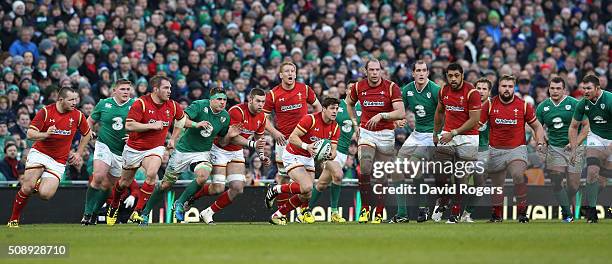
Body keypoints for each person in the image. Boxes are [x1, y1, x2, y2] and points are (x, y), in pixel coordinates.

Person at [106, 75, 185, 226]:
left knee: (152, 174)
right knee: (123, 183)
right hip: (134, 148)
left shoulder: (173, 106)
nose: (170, 91)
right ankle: (114, 204)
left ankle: (138, 211)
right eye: (166, 88)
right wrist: (151, 126)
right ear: (155, 89)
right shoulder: (141, 103)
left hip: (155, 148)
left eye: (170, 88)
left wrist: (174, 138)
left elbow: (181, 119)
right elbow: (129, 126)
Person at [7, 87, 91, 227]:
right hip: (40, 153)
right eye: (71, 100)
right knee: (27, 187)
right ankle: (14, 219)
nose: (74, 102)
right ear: (60, 100)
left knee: (46, 195)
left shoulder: (77, 115)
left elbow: (87, 133)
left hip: (58, 160)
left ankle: (36, 183)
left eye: (75, 99)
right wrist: (45, 135)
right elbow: (30, 134)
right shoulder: (46, 112)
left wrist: (78, 153)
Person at [194, 88, 270, 224]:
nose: (261, 104)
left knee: (237, 188)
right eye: (258, 101)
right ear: (250, 100)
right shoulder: (237, 111)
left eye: (263, 102)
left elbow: (259, 141)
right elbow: (232, 138)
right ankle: (192, 197)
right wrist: (252, 144)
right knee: (218, 188)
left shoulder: (262, 117)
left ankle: (208, 212)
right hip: (219, 148)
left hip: (236, 152)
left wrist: (262, 155)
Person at [345, 59, 405, 224]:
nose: (374, 73)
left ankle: (379, 211)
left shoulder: (391, 87)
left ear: (381, 71)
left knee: (381, 173)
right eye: (371, 70)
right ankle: (365, 209)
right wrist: (355, 122)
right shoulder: (358, 87)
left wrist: (382, 115)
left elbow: (401, 112)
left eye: (377, 69)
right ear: (366, 71)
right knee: (365, 165)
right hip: (367, 132)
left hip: (386, 133)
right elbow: (348, 103)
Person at [264, 97, 341, 225]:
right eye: (332, 108)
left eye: (337, 109)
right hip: (293, 153)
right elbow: (293, 137)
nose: (335, 111)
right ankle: (276, 189)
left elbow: (333, 151)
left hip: (309, 157)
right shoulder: (310, 119)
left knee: (307, 193)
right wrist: (307, 146)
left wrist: (329, 155)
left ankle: (277, 215)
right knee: (307, 186)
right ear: (324, 109)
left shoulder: (335, 127)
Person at [480, 74, 545, 223]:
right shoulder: (489, 105)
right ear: (499, 87)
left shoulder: (523, 105)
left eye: (510, 86)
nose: (507, 89)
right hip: (495, 150)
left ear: (514, 88)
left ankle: (522, 212)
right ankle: (497, 215)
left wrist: (540, 142)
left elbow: (537, 126)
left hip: (517, 148)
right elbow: (477, 126)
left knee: (517, 174)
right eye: (504, 86)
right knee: (497, 184)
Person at [263, 61, 322, 210]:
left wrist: (317, 125)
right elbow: (263, 117)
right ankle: (281, 212)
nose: (290, 74)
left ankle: (303, 211)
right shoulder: (272, 94)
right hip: (284, 140)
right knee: (283, 176)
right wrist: (275, 132)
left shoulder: (305, 89)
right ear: (281, 75)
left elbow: (318, 106)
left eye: (293, 71)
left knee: (308, 180)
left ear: (296, 74)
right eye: (287, 71)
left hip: (304, 139)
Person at [80, 79, 135, 225]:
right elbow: (90, 120)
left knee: (107, 187)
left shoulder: (135, 105)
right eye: (122, 89)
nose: (126, 92)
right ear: (114, 90)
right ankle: (86, 212)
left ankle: (94, 212)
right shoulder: (104, 104)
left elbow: (142, 126)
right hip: (104, 145)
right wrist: (88, 130)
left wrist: (133, 136)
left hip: (122, 152)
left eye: (128, 89)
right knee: (98, 177)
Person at [432, 62, 481, 224]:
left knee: (461, 177)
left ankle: (455, 212)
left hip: (468, 138)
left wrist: (454, 132)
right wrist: (435, 133)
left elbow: (474, 119)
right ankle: (444, 198)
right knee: (439, 171)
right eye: (450, 76)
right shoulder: (443, 90)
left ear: (462, 75)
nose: (453, 79)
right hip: (447, 135)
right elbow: (439, 112)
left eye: (456, 76)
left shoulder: (472, 93)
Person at [392, 60, 440, 223]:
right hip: (417, 133)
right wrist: (398, 120)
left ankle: (423, 206)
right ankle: (403, 213)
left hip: (432, 135)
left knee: (412, 165)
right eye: (418, 70)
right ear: (413, 73)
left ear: (428, 73)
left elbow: (445, 113)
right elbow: (399, 111)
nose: (421, 73)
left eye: (424, 70)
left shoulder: (435, 90)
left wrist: (438, 135)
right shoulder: (407, 90)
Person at [536, 76, 588, 222]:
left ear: (564, 90)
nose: (555, 91)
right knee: (556, 179)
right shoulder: (543, 107)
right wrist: (540, 141)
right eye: (552, 88)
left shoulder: (574, 104)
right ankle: (567, 214)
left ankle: (567, 201)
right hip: (555, 147)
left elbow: (586, 125)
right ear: (548, 89)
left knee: (573, 185)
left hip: (575, 148)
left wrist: (575, 143)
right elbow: (537, 127)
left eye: (558, 88)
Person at [301, 96, 361, 223]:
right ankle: (334, 212)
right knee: (338, 175)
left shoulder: (361, 109)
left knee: (321, 185)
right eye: (350, 89)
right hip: (330, 149)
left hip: (343, 152)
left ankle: (305, 211)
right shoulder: (339, 108)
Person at [568, 75, 612, 223]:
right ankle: (592, 212)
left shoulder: (609, 100)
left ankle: (588, 200)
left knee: (602, 181)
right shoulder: (582, 104)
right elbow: (574, 127)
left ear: (597, 89)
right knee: (592, 171)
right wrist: (574, 149)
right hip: (596, 137)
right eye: (583, 88)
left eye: (588, 88)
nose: (585, 91)